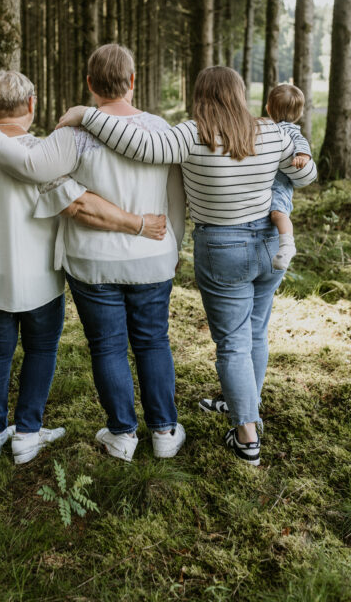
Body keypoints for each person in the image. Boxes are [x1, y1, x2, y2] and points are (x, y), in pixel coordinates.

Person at [57, 66, 317, 466]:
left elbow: (139, 144)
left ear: (200, 95)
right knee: (255, 331)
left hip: (224, 247)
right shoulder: (270, 132)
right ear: (240, 92)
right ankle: (246, 408)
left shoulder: (190, 134)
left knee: (232, 342)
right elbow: (305, 177)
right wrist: (302, 158)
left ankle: (246, 435)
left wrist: (87, 115)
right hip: (269, 243)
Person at [0, 45, 186, 462]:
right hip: (153, 255)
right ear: (133, 81)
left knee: (107, 346)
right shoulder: (161, 131)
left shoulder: (73, 134)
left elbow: (29, 166)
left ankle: (122, 435)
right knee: (153, 341)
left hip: (92, 262)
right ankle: (164, 431)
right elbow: (176, 195)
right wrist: (174, 241)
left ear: (89, 84)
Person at [266, 84, 312, 271]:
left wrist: (302, 156)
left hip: (280, 184)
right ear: (300, 113)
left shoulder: (288, 128)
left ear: (268, 108)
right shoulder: (272, 127)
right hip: (269, 182)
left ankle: (287, 245)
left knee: (278, 213)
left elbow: (301, 141)